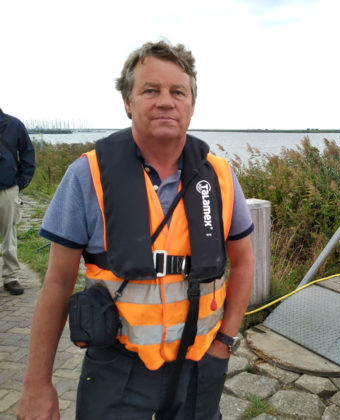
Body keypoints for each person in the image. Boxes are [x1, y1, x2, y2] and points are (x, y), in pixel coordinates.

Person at [17, 40, 255, 419]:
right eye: (150, 90)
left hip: (198, 366)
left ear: (192, 104)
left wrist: (225, 340)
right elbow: (57, 283)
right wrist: (36, 383)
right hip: (116, 369)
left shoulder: (221, 177)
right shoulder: (87, 175)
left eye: (178, 91)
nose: (166, 101)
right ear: (128, 101)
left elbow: (243, 263)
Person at [0, 108, 35, 296]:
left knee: (9, 235)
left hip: (7, 188)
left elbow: (28, 154)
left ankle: (10, 277)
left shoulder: (14, 125)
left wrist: (19, 184)